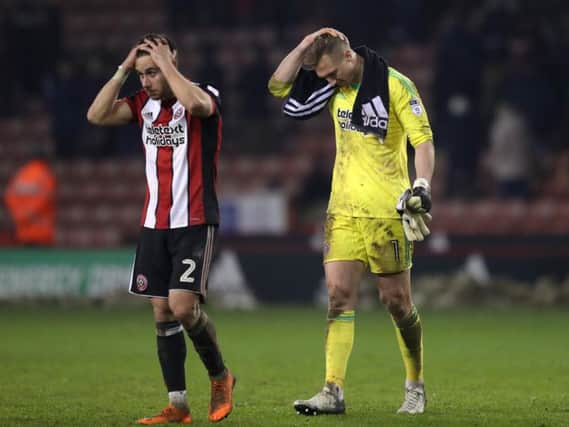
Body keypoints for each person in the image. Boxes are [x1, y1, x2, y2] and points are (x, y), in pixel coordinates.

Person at [268, 28, 435, 416]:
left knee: (396, 302)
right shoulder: (333, 87)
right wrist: (304, 45)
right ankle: (333, 390)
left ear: (348, 55)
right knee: (338, 296)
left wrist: (422, 185)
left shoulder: (395, 85)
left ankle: (415, 385)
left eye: (331, 74)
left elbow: (423, 142)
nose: (327, 83)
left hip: (386, 212)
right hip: (342, 209)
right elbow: (278, 86)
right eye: (322, 77)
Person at [87, 33, 235, 425]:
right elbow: (96, 115)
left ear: (172, 62)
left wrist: (166, 64)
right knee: (161, 311)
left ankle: (220, 376)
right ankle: (179, 404)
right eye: (142, 74)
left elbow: (198, 105)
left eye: (152, 73)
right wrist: (122, 70)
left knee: (184, 307)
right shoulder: (141, 105)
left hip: (195, 219)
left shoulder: (203, 94)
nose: (147, 81)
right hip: (154, 222)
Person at [4, 145, 56, 246]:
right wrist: (28, 213)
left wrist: (20, 214)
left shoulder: (21, 174)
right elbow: (45, 198)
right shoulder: (45, 174)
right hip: (42, 232)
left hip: (23, 231)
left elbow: (9, 196)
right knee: (42, 261)